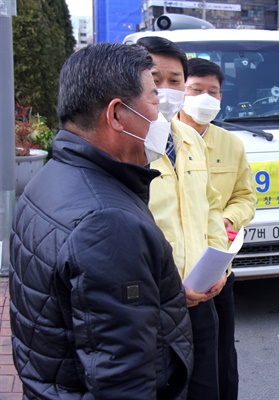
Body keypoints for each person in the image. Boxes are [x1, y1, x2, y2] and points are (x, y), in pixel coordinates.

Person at [9, 42, 193, 399]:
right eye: (154, 102)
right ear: (117, 115)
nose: (162, 118)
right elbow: (122, 377)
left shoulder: (49, 178)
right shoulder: (107, 222)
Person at [137, 36, 229, 400]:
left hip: (202, 298)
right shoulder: (128, 143)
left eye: (175, 81)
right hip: (154, 305)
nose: (166, 90)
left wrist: (218, 264)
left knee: (207, 386)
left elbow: (211, 206)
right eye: (155, 79)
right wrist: (173, 289)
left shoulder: (189, 138)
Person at [179, 57, 257, 400]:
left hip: (218, 269)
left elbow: (245, 197)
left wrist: (229, 219)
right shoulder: (161, 140)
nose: (205, 98)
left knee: (223, 352)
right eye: (196, 90)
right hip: (176, 272)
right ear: (182, 91)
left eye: (213, 92)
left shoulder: (231, 144)